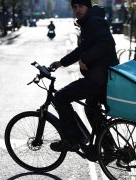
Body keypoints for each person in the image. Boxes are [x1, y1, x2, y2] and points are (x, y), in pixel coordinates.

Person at [49, 0, 119, 152]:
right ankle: (109, 149)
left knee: (60, 97)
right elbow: (82, 49)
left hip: (98, 78)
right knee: (91, 109)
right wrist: (61, 63)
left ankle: (72, 140)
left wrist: (85, 60)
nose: (77, 9)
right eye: (74, 7)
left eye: (81, 6)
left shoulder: (94, 22)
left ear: (87, 7)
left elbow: (107, 43)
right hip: (102, 78)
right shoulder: (90, 22)